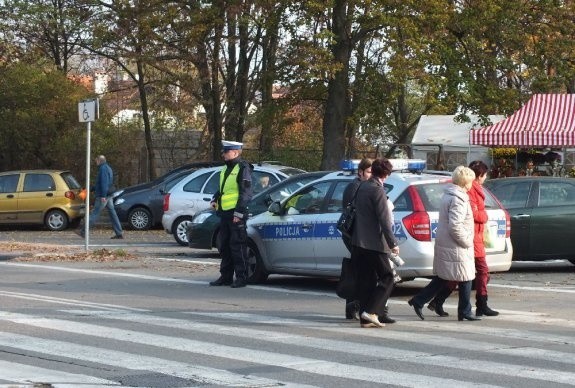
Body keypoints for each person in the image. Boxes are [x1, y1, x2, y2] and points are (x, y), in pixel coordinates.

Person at [408, 165, 481, 322]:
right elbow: (455, 226)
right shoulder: (459, 199)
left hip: (449, 243)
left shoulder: (449, 195)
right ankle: (465, 311)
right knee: (465, 277)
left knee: (445, 277)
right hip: (457, 244)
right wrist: (467, 241)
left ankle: (419, 300)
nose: (471, 185)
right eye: (470, 182)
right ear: (465, 183)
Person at [427, 161, 499, 317]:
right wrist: (484, 215)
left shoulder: (473, 189)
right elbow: (470, 215)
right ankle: (480, 305)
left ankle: (436, 301)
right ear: (477, 176)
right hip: (469, 237)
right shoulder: (467, 191)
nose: (485, 178)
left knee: (459, 274)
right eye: (484, 175)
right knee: (478, 271)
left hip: (474, 235)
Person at [351, 158, 399, 328]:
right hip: (374, 242)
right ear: (386, 174)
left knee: (367, 280)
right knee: (388, 277)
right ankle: (371, 312)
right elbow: (384, 220)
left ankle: (365, 319)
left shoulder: (363, 185)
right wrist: (393, 243)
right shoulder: (377, 190)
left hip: (358, 241)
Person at [209, 140, 253, 288]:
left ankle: (242, 277)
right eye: (223, 152)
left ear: (235, 152)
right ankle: (226, 276)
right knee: (225, 246)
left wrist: (239, 213)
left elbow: (245, 193)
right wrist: (215, 198)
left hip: (236, 213)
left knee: (237, 245)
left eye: (226, 152)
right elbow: (224, 189)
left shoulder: (243, 168)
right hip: (225, 213)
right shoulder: (225, 169)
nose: (223, 154)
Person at [341, 158, 372, 321]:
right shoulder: (355, 186)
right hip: (354, 235)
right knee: (359, 272)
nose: (371, 175)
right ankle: (353, 305)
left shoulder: (361, 186)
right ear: (360, 172)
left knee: (360, 271)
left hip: (359, 235)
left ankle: (353, 305)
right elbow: (353, 212)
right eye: (368, 172)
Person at [77, 155, 123, 239]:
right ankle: (119, 233)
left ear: (99, 160)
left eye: (96, 161)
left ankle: (83, 231)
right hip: (108, 195)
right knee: (113, 213)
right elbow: (104, 183)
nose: (96, 162)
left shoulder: (103, 169)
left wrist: (103, 196)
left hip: (103, 196)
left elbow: (104, 183)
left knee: (95, 213)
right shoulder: (108, 168)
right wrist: (91, 188)